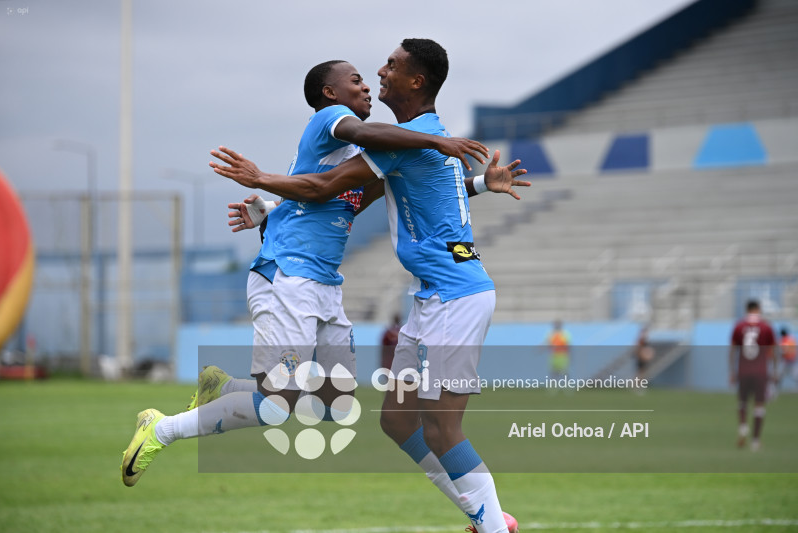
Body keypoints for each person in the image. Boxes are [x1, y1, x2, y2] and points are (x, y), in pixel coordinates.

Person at [121, 59, 493, 488]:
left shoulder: (357, 160)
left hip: (324, 283)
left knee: (335, 402)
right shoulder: (331, 118)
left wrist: (481, 183)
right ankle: (162, 429)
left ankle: (220, 388)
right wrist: (435, 139)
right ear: (330, 93)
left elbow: (391, 189)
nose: (366, 87)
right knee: (275, 405)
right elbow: (346, 157)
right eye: (355, 81)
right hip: (289, 275)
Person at [210, 38, 528, 533]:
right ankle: (485, 515)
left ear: (416, 81)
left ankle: (491, 524)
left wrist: (260, 179)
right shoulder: (424, 139)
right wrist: (484, 183)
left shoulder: (414, 139)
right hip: (433, 298)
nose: (380, 71)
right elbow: (362, 197)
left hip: (456, 296)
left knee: (443, 429)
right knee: (397, 422)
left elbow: (325, 187)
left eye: (391, 65)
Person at [729, 299, 776, 451]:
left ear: (747, 309)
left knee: (742, 402)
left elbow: (732, 350)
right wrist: (775, 371)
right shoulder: (766, 327)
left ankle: (743, 426)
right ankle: (755, 441)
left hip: (743, 370)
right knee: (759, 405)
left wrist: (732, 371)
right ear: (758, 309)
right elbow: (772, 351)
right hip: (760, 371)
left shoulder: (739, 326)